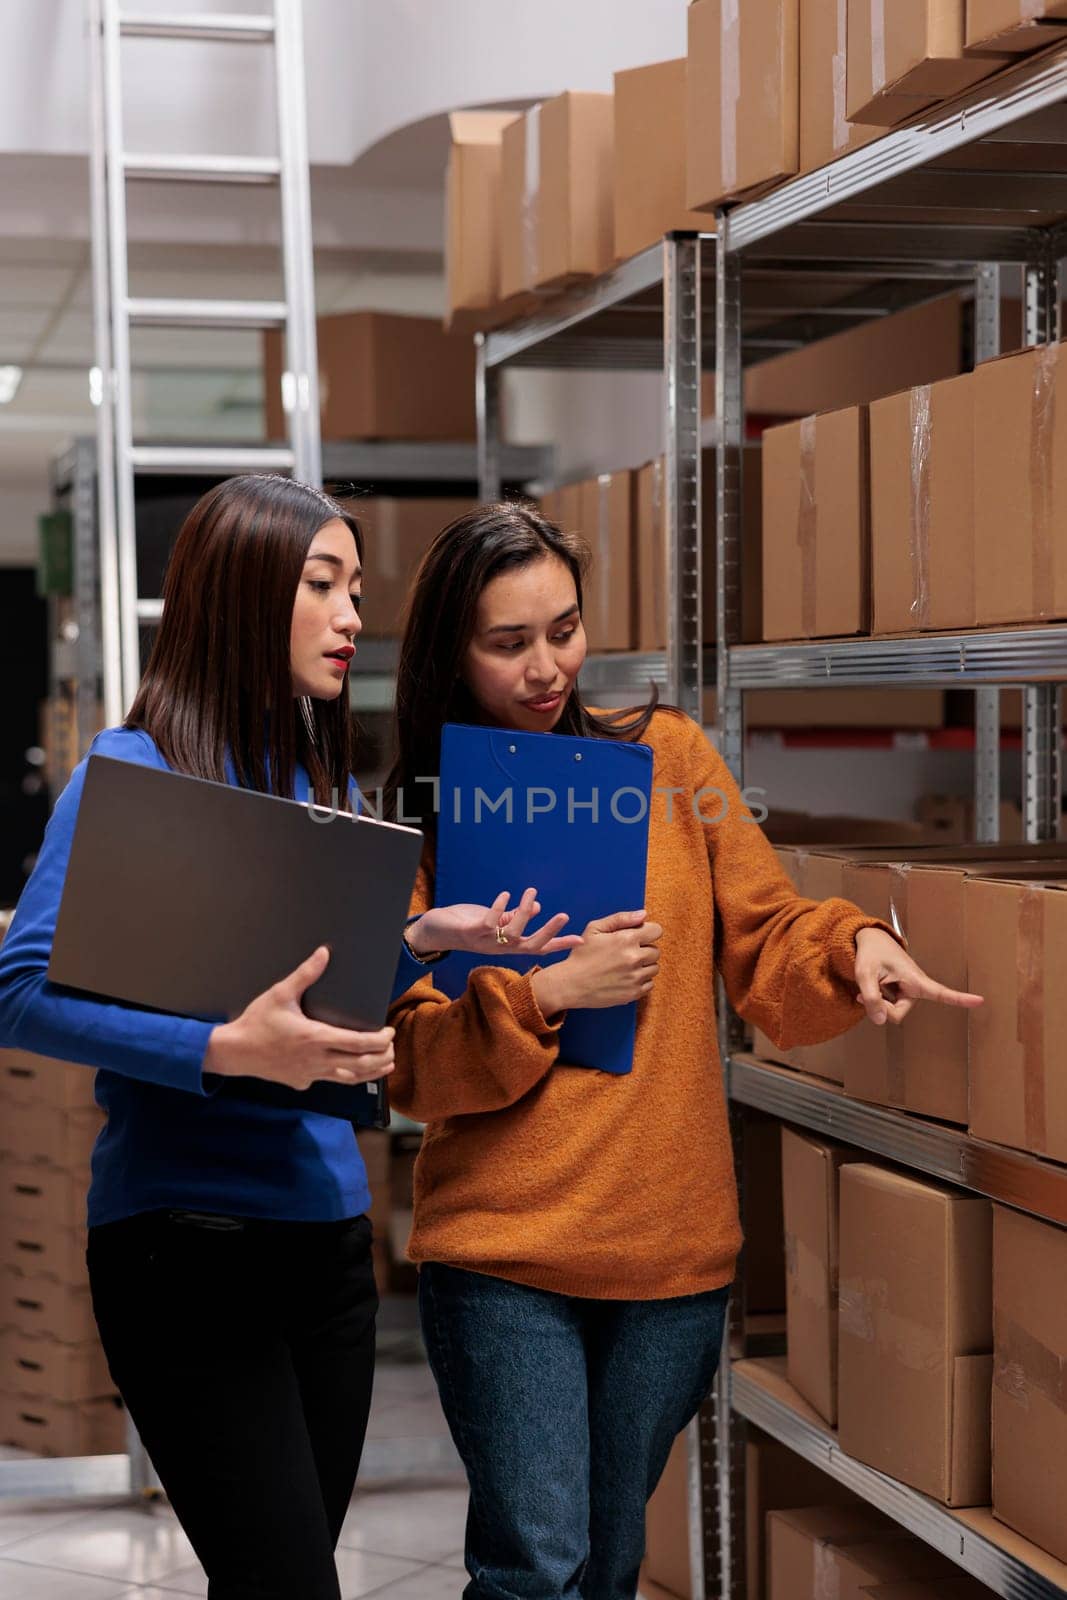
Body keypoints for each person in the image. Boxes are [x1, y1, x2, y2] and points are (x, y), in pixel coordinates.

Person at [382, 501, 984, 1600]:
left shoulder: (668, 759)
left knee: (608, 1570)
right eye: (506, 643)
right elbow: (411, 1062)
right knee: (535, 1570)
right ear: (448, 652)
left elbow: (763, 931)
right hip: (503, 1253)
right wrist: (545, 994)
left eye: (561, 629)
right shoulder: (427, 817)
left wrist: (852, 946)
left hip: (668, 1252)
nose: (545, 665)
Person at [0, 476, 580, 1600]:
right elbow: (21, 990)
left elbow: (314, 995)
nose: (352, 614)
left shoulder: (317, 783)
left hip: (325, 1246)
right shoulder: (131, 770)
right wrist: (226, 1051)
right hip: (183, 1246)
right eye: (323, 584)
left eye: (355, 587)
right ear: (244, 593)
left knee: (285, 1574)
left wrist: (411, 937)